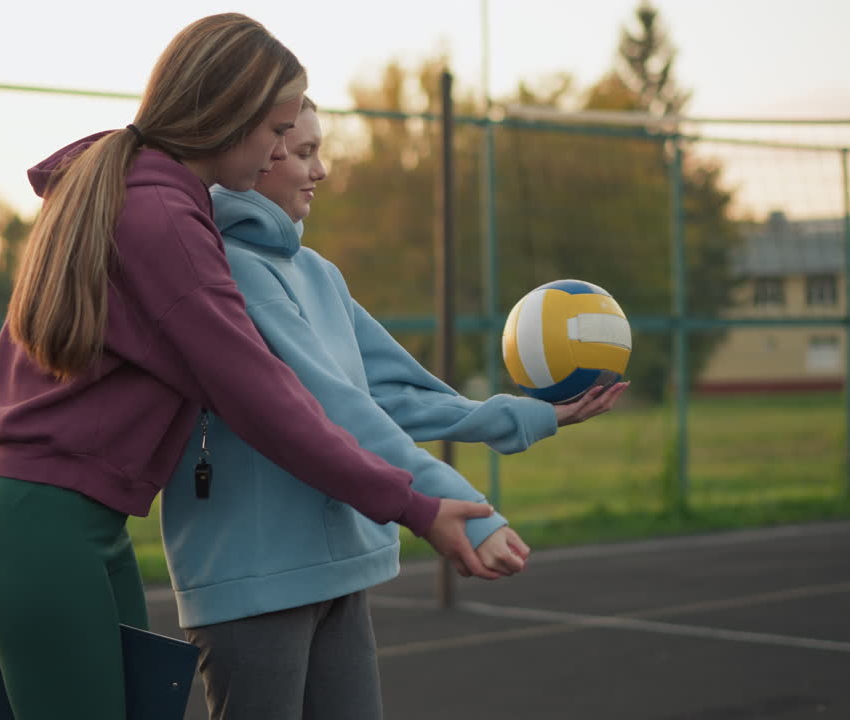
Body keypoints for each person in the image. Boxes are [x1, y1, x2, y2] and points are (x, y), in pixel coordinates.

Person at [0, 15, 503, 720]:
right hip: (41, 531)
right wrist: (414, 505)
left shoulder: (145, 196)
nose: (281, 150)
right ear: (227, 118)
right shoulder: (163, 223)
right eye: (275, 131)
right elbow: (265, 400)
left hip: (76, 529)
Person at [161, 96, 630, 720]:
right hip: (255, 579)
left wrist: (530, 415)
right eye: (303, 151)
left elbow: (392, 392)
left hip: (337, 569)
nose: (321, 170)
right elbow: (337, 410)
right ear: (255, 153)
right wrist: (459, 508)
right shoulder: (230, 273)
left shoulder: (317, 273)